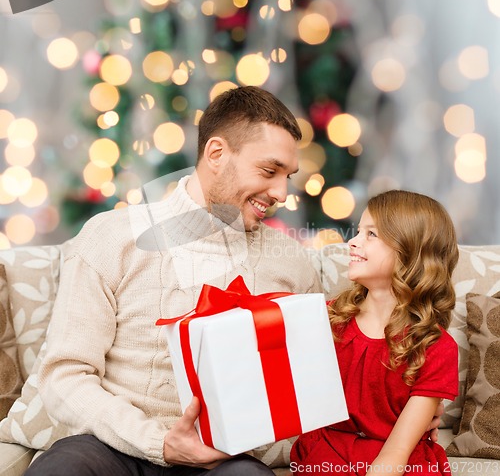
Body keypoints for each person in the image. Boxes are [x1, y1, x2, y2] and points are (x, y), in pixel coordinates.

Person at [25, 87, 442, 476]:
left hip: (228, 460)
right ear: (216, 152)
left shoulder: (291, 262)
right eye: (269, 170)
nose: (281, 192)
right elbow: (65, 376)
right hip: (113, 448)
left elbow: (322, 378)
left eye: (288, 176)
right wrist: (160, 443)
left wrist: (410, 410)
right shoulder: (111, 238)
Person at [290, 190, 459, 476]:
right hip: (329, 454)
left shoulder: (437, 347)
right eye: (357, 232)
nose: (352, 242)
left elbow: (396, 452)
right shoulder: (325, 320)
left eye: (371, 234)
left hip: (398, 462)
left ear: (411, 252)